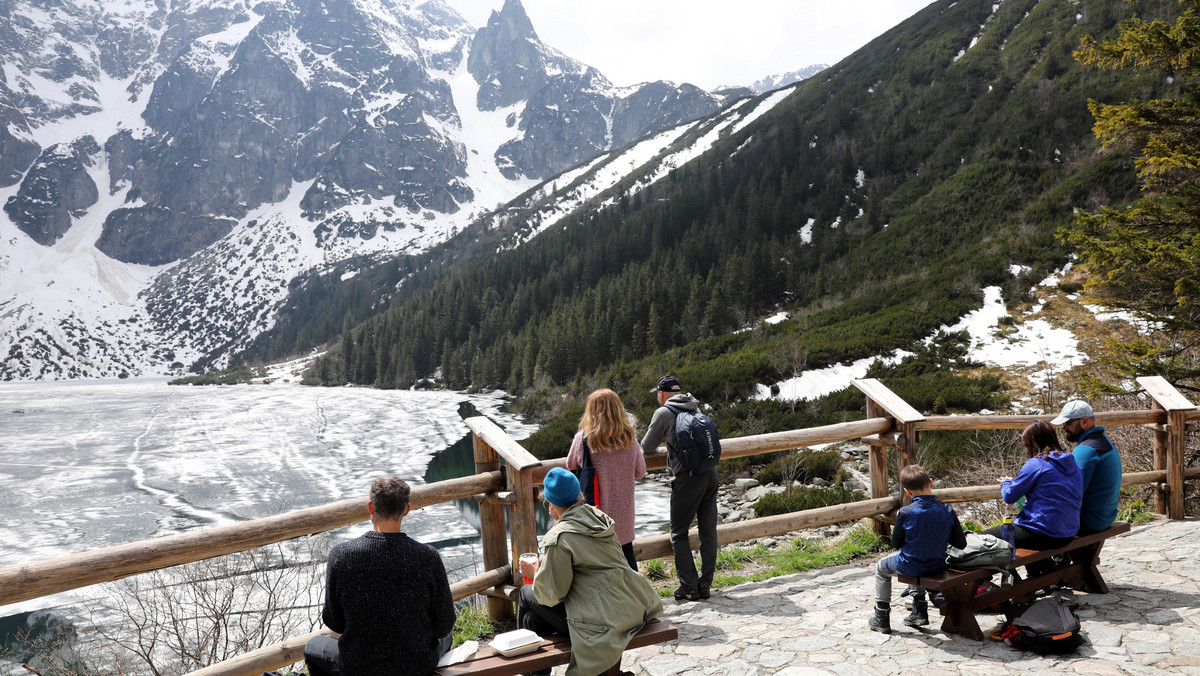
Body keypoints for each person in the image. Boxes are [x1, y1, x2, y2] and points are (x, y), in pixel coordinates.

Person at [518, 467, 663, 676]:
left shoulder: (559, 536)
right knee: (532, 620)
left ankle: (527, 671)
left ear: (551, 505)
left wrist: (536, 575)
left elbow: (553, 595)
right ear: (578, 495)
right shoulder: (598, 517)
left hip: (601, 619)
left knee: (525, 593)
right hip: (630, 606)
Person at [305, 476, 455, 676]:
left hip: (359, 666)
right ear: (407, 509)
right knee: (446, 637)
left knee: (314, 645)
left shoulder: (341, 556)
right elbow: (444, 625)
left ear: (370, 507)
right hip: (416, 665)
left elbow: (335, 622)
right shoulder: (428, 557)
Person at [640, 374, 718, 602]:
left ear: (661, 394)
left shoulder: (663, 412)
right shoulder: (695, 407)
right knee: (708, 530)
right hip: (710, 473)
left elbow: (646, 446)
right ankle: (705, 584)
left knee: (678, 532)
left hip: (688, 478)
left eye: (657, 393)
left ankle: (689, 586)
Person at [869, 464, 967, 634]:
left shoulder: (906, 512)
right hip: (937, 565)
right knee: (918, 557)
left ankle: (881, 617)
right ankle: (919, 612)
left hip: (912, 565)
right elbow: (961, 544)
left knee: (881, 568)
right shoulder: (947, 510)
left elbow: (896, 544)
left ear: (907, 491)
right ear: (931, 482)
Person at [566, 388, 647, 571]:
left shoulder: (584, 439)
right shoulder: (629, 437)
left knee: (598, 564)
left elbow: (570, 464)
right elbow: (640, 471)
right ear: (618, 408)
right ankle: (637, 597)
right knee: (627, 556)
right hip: (624, 513)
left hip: (596, 513)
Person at [985, 421, 1083, 549]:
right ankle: (1038, 570)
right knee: (1020, 534)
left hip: (1043, 532)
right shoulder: (1074, 464)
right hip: (1068, 533)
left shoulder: (1037, 464)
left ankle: (1009, 569)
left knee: (984, 537)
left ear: (1034, 443)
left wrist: (1006, 482)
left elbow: (1009, 496)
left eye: (1026, 445)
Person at [1052, 400, 1122, 534]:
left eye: (1068, 423)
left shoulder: (1086, 450)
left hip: (1088, 521)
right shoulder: (1104, 442)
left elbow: (1071, 492)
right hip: (1104, 517)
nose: (1064, 428)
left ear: (1084, 421)